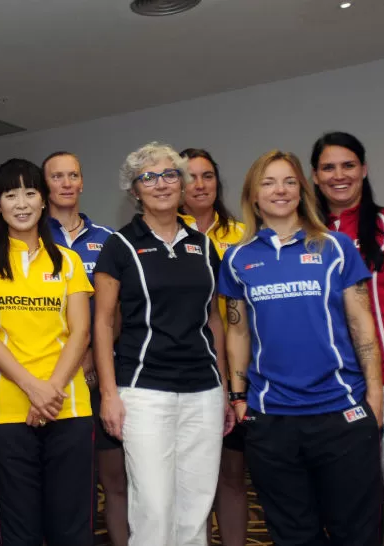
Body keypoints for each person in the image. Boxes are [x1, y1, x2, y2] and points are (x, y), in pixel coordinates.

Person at [221, 149, 383, 545]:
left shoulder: (336, 246)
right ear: (253, 196)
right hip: (272, 419)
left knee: (357, 532)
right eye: (269, 182)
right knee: (292, 532)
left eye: (289, 181)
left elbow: (363, 325)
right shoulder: (238, 258)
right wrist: (239, 396)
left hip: (340, 411)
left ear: (302, 190)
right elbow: (238, 333)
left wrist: (374, 398)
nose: (280, 190)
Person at [94, 142, 232, 546]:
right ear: (134, 190)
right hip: (143, 390)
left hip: (203, 391)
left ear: (182, 183)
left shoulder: (205, 246)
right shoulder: (119, 246)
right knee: (153, 506)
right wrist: (108, 394)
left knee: (196, 505)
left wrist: (223, 386)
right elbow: (102, 323)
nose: (160, 184)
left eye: (170, 174)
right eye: (148, 177)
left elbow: (214, 319)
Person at [0, 158, 95, 545]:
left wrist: (51, 388)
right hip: (8, 407)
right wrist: (32, 388)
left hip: (68, 404)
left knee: (71, 525)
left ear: (43, 201)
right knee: (17, 525)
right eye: (10, 194)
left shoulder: (69, 261)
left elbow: (81, 331)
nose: (21, 203)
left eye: (29, 192)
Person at [41, 151, 124, 545]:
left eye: (73, 174)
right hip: (48, 380)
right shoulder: (30, 237)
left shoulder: (108, 239)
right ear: (46, 186)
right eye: (57, 176)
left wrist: (90, 360)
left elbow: (117, 311)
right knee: (59, 481)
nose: (66, 182)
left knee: (114, 478)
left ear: (82, 181)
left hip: (100, 372)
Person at [311, 132, 384, 508]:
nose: (338, 175)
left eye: (348, 165)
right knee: (351, 501)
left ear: (363, 169)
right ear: (314, 176)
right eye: (327, 167)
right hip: (333, 389)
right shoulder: (306, 235)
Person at [178, 148, 247, 546]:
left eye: (207, 176)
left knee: (233, 475)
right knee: (192, 478)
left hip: (238, 369)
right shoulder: (169, 236)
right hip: (187, 370)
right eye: (190, 177)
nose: (199, 185)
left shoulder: (241, 236)